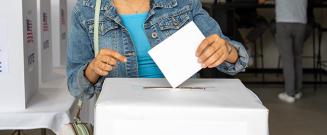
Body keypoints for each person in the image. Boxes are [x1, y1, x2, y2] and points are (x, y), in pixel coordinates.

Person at [67, 0, 249, 100]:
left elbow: (236, 60)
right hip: (122, 116)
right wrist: (93, 69)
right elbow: (76, 89)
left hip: (182, 112)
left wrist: (226, 50)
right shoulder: (85, 11)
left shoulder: (184, 3)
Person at [259, 0, 307, 103]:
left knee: (288, 59)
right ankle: (297, 91)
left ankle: (290, 94)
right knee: (298, 57)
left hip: (284, 21)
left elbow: (261, 1)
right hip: (301, 22)